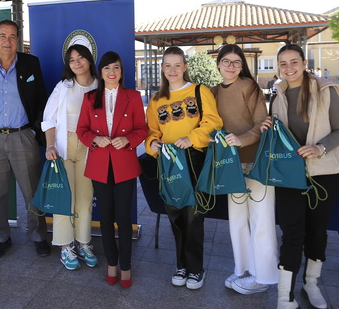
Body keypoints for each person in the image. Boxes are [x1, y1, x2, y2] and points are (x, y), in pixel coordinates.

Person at [264, 43, 339, 309]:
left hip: (323, 174)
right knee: (291, 232)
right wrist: (268, 127)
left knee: (316, 231)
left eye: (293, 62)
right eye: (283, 63)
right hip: (290, 176)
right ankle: (284, 300)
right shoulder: (278, 96)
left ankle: (311, 284)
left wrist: (320, 148)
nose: (288, 68)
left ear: (303, 62)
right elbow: (281, 135)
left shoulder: (326, 91)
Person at [0, 20, 50, 259]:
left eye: (12, 36)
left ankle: (38, 235)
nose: (7, 41)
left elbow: (42, 101)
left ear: (18, 40)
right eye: (3, 36)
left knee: (31, 193)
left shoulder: (30, 63)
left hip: (22, 136)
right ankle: (2, 237)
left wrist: (34, 132)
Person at [145, 46, 222, 290]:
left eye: (177, 65)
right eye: (167, 65)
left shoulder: (199, 91)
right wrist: (152, 144)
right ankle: (181, 265)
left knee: (194, 216)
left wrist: (193, 137)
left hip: (194, 159)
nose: (172, 70)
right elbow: (152, 132)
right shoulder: (156, 100)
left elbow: (213, 121)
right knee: (175, 214)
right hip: (168, 163)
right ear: (162, 68)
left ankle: (196, 269)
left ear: (185, 66)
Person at [76, 51, 148, 288]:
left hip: (124, 165)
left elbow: (142, 129)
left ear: (121, 71)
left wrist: (128, 140)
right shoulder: (89, 98)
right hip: (99, 165)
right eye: (107, 68)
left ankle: (126, 265)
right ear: (101, 72)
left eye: (116, 68)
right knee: (105, 217)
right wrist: (95, 139)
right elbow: (82, 130)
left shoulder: (133, 96)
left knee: (124, 217)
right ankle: (112, 263)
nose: (111, 72)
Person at [211, 44, 278, 295]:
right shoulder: (213, 91)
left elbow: (263, 122)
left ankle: (266, 276)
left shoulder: (249, 87)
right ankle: (243, 270)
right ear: (218, 64)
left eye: (236, 62)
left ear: (242, 65)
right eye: (226, 61)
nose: (231, 66)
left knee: (261, 219)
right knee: (237, 220)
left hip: (256, 162)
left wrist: (242, 139)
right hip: (230, 165)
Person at [42, 44, 99, 271]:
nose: (77, 63)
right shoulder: (63, 87)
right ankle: (66, 246)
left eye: (81, 58)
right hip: (64, 146)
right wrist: (50, 145)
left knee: (85, 200)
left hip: (89, 148)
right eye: (72, 59)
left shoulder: (99, 85)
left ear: (89, 60)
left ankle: (84, 243)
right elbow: (49, 118)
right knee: (65, 198)